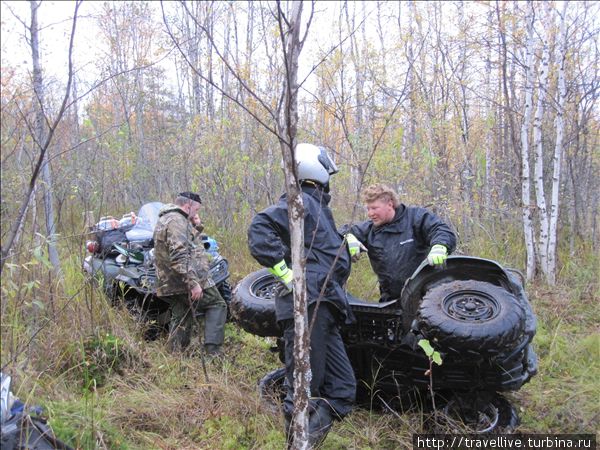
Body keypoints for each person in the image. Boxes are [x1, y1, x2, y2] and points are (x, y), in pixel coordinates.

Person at [248, 144, 356, 447]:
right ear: (315, 169)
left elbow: (318, 252)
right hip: (307, 305)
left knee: (343, 389)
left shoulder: (316, 207)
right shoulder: (302, 201)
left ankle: (306, 440)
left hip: (324, 307)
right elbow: (261, 226)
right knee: (303, 388)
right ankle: (296, 443)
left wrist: (347, 244)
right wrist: (285, 273)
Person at [344, 184, 457, 302]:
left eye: (374, 208)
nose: (370, 213)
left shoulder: (416, 217)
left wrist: (440, 246)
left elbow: (440, 230)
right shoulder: (369, 229)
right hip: (391, 301)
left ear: (390, 204)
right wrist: (348, 237)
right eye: (368, 209)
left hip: (427, 295)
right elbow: (341, 232)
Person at [153, 192, 227, 355]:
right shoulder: (177, 221)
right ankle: (213, 353)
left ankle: (176, 355)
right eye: (196, 210)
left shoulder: (168, 218)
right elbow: (180, 255)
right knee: (217, 305)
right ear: (188, 206)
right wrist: (193, 283)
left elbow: (189, 244)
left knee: (182, 314)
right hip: (182, 281)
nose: (196, 213)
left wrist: (197, 226)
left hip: (171, 281)